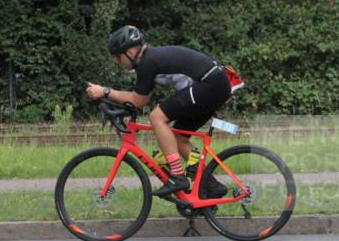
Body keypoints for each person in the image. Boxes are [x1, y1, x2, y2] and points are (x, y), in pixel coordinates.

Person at [86, 25, 232, 197]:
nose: (118, 62)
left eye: (118, 57)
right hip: (214, 85)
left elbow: (138, 101)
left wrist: (105, 91)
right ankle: (211, 184)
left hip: (210, 85)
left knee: (157, 117)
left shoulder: (147, 62)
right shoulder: (150, 59)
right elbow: (143, 98)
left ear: (131, 52)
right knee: (177, 137)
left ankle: (177, 176)